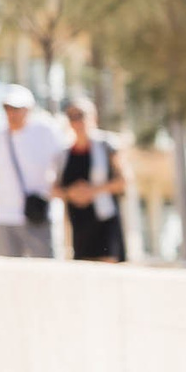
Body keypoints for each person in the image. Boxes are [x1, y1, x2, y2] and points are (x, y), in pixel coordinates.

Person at [0, 84, 64, 259]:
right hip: (5, 218)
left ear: (29, 109)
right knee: (7, 276)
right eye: (7, 107)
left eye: (16, 108)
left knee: (46, 274)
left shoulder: (46, 132)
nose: (11, 113)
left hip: (40, 217)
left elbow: (63, 165)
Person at [56, 96, 127, 264]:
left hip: (105, 222)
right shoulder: (64, 153)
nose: (76, 121)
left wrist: (92, 191)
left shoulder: (107, 146)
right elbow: (54, 188)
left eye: (80, 115)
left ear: (93, 117)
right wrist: (71, 193)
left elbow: (123, 181)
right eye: (71, 116)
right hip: (78, 226)